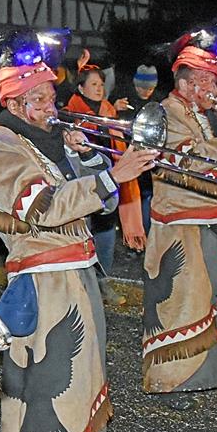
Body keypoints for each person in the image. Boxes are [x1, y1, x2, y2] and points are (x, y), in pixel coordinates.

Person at [0, 54, 157, 432]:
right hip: (45, 281)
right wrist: (107, 175)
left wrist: (85, 156)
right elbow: (44, 207)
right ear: (15, 101)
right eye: (42, 99)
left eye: (52, 97)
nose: (52, 106)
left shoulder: (44, 141)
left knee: (81, 386)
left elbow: (100, 204)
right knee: (50, 391)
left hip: (76, 273)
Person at [142, 42, 217, 402]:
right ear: (190, 83)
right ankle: (171, 380)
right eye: (210, 82)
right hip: (182, 222)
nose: (216, 90)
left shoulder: (201, 112)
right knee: (183, 305)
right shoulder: (165, 113)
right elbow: (181, 160)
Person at [64, 66, 144, 305]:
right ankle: (81, 287)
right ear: (80, 88)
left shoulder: (108, 110)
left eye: (101, 85)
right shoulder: (70, 113)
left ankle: (102, 282)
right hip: (84, 185)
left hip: (108, 181)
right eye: (94, 85)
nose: (99, 89)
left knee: (106, 237)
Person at [110, 64, 163, 234]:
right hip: (129, 155)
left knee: (148, 200)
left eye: (150, 88)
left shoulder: (160, 101)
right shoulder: (124, 96)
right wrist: (114, 107)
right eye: (141, 87)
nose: (145, 92)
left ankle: (147, 235)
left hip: (152, 158)